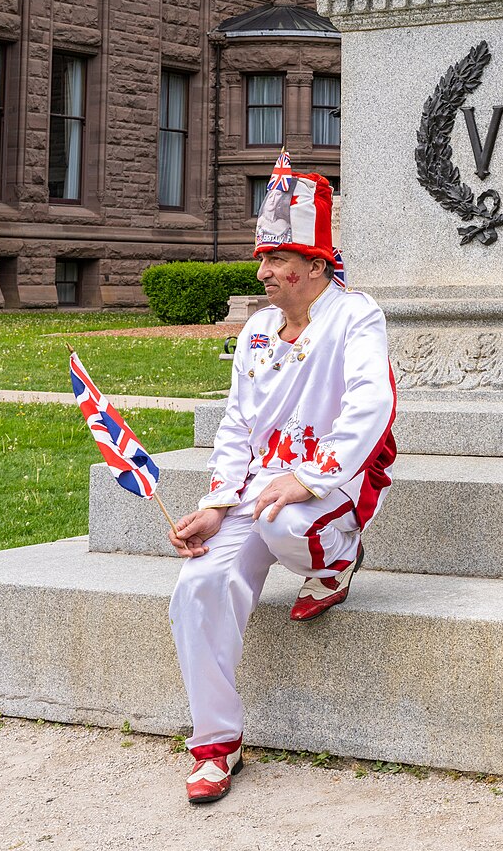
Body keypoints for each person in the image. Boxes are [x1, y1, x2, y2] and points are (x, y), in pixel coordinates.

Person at [167, 153, 396, 804]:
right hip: (259, 488)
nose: (263, 273)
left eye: (276, 259)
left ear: (317, 266)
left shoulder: (358, 317)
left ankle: (337, 563)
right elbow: (239, 424)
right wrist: (216, 502)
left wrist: (308, 477)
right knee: (198, 585)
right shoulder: (257, 333)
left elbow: (369, 406)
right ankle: (217, 742)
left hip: (329, 485)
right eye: (262, 259)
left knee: (285, 515)